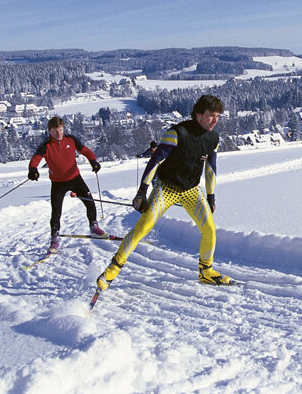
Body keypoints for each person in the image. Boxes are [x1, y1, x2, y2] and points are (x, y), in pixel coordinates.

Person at [96, 94, 231, 290]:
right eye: (211, 115)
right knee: (142, 229)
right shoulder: (177, 133)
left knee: (209, 229)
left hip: (192, 190)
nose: (215, 120)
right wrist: (142, 192)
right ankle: (111, 271)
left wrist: (211, 196)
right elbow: (155, 162)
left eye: (218, 116)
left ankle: (206, 271)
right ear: (198, 114)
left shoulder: (213, 139)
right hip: (166, 188)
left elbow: (210, 169)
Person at [28, 116, 107, 252]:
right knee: (56, 212)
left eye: (60, 130)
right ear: (49, 131)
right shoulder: (46, 146)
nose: (58, 134)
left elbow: (85, 151)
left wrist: (93, 161)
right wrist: (33, 170)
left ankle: (94, 226)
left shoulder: (71, 140)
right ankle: (54, 239)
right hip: (58, 183)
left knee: (90, 202)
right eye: (55, 131)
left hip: (75, 178)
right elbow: (36, 158)